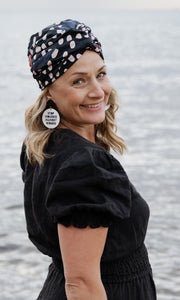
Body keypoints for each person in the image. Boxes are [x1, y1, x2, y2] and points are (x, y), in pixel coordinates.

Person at [20, 19, 157, 300]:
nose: (98, 91)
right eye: (79, 81)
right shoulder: (85, 165)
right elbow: (80, 284)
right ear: (50, 94)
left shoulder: (44, 145)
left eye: (101, 74)